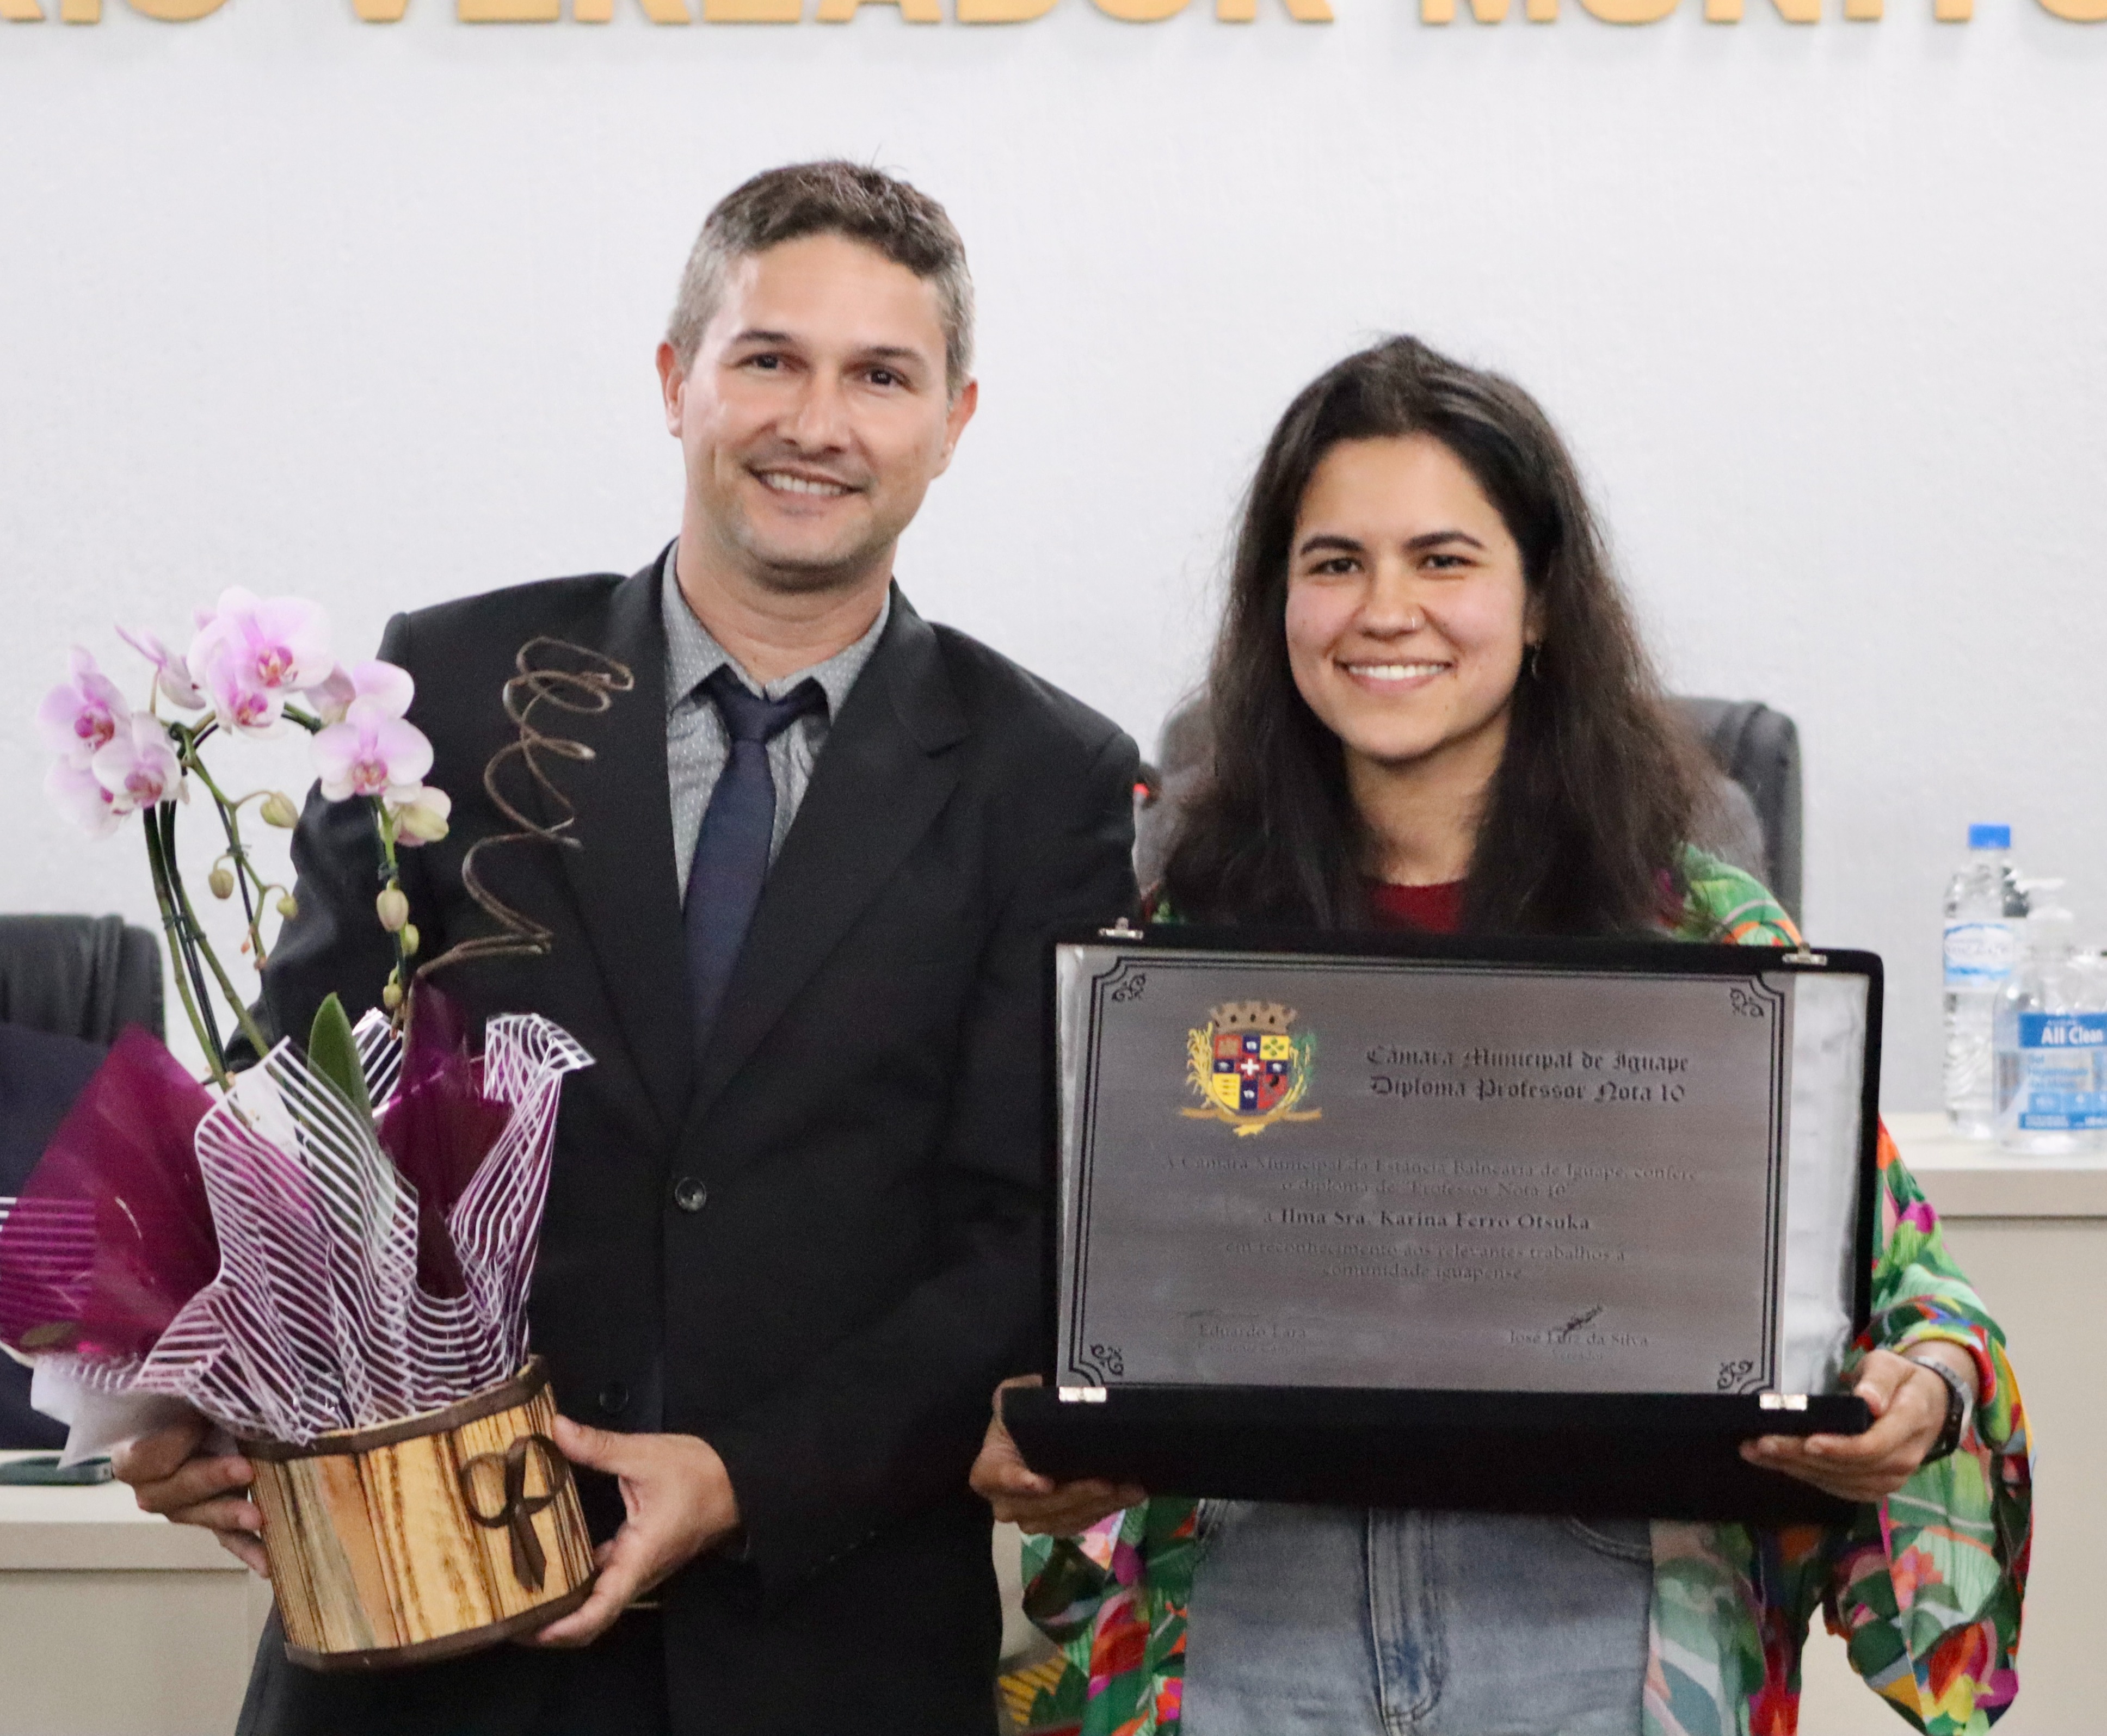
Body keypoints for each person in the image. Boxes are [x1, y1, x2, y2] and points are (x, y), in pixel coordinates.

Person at [111, 161, 1139, 1736]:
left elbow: (1021, 1238)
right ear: (676, 382)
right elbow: (290, 1103)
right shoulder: (448, 690)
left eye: (881, 376)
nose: (819, 422)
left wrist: (745, 1478)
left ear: (954, 420)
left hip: (827, 1653)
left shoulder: (1048, 778)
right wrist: (183, 1383)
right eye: (768, 359)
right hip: (425, 1634)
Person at [971, 337, 2030, 1736]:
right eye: (1334, 562)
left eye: (1444, 560)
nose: (1384, 610)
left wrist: (1925, 1392)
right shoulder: (1171, 950)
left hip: (1603, 1622)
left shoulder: (1702, 935)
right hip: (1241, 1612)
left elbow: (1917, 1296)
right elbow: (1069, 1300)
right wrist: (1036, 1420)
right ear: (1279, 604)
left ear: (1538, 606)